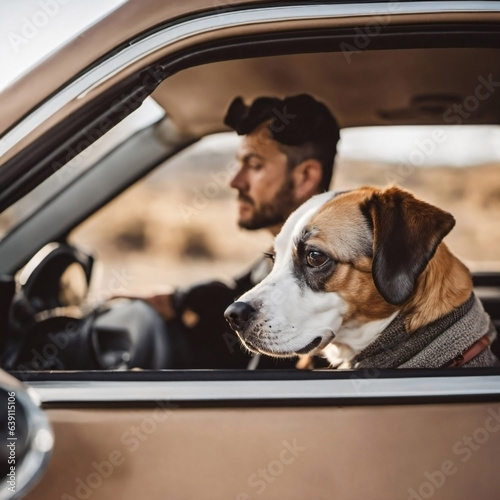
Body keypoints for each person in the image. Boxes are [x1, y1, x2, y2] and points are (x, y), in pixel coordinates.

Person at [139, 94, 340, 368]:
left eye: (254, 165)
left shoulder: (327, 296)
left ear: (305, 176)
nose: (235, 181)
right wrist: (177, 301)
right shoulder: (274, 262)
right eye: (240, 163)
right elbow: (236, 292)